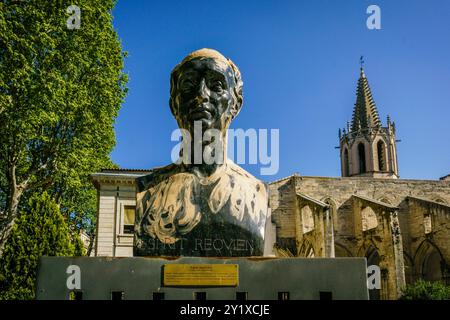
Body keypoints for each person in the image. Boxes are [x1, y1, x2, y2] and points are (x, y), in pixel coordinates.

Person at [135, 49, 269, 257]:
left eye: (216, 86)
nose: (201, 95)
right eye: (189, 85)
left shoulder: (256, 194)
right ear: (174, 104)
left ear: (235, 104)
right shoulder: (147, 193)